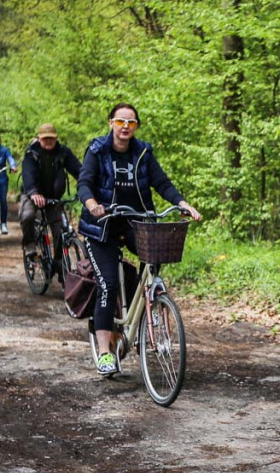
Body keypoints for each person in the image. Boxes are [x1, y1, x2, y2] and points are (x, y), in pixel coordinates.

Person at [78, 103, 200, 376]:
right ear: (111, 122)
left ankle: (151, 306)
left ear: (136, 127)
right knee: (107, 284)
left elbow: (162, 182)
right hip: (102, 226)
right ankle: (105, 352)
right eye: (120, 121)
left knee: (153, 261)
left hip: (135, 222)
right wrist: (91, 203)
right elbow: (84, 182)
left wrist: (182, 203)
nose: (125, 127)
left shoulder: (143, 153)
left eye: (131, 123)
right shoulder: (97, 150)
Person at [19, 123, 82, 283]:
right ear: (39, 138)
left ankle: (59, 264)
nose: (48, 141)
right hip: (33, 194)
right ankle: (30, 244)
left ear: (56, 138)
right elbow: (28, 174)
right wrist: (33, 193)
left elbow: (78, 171)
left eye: (51, 138)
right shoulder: (31, 153)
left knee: (60, 231)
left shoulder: (63, 152)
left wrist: (87, 187)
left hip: (53, 197)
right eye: (45, 138)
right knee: (27, 215)